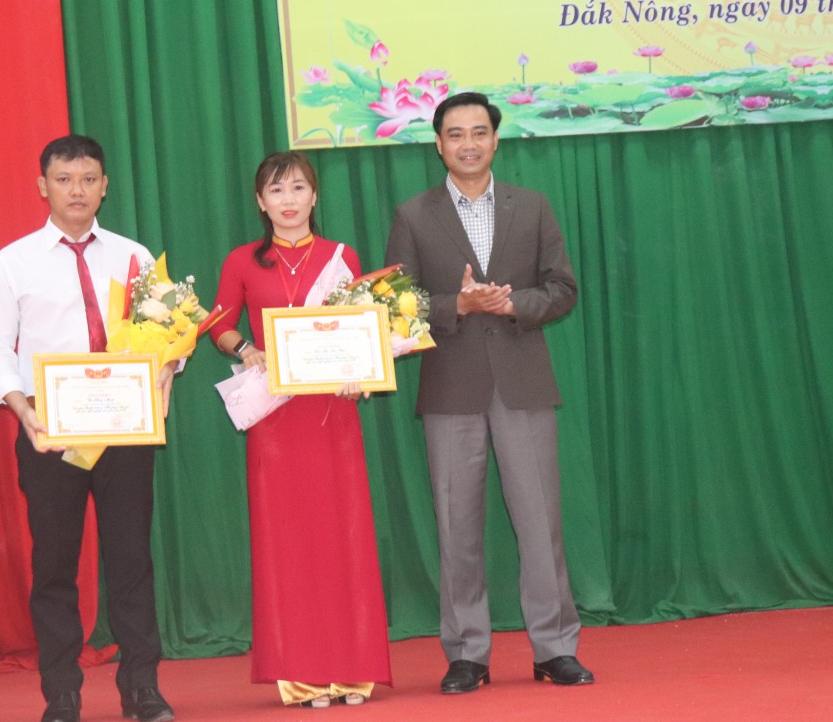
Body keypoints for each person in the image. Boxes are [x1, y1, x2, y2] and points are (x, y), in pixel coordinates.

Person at [384, 91, 593, 693]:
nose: (469, 144)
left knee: (540, 521)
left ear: (496, 140)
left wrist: (510, 304)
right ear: (439, 144)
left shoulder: (533, 206)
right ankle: (466, 655)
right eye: (456, 134)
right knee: (456, 525)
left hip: (522, 381)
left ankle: (555, 648)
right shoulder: (413, 215)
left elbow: (563, 288)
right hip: (451, 385)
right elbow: (398, 303)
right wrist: (458, 304)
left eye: (479, 132)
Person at [0, 135, 175, 722]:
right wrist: (22, 410)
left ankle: (142, 688)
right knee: (55, 565)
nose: (77, 190)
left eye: (88, 179)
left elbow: (171, 333)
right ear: (43, 186)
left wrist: (168, 370)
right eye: (64, 180)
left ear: (105, 186)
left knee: (131, 559)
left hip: (125, 426)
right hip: (49, 428)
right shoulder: (13, 261)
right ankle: (62, 694)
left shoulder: (135, 257)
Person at [209, 151, 392, 709]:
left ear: (315, 195)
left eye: (297, 188)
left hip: (333, 415)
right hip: (275, 419)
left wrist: (361, 373)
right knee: (287, 542)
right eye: (275, 190)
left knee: (343, 537)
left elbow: (359, 329)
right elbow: (218, 323)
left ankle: (353, 669)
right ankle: (303, 674)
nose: (287, 200)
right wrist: (247, 349)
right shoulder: (242, 261)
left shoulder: (341, 256)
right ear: (260, 202)